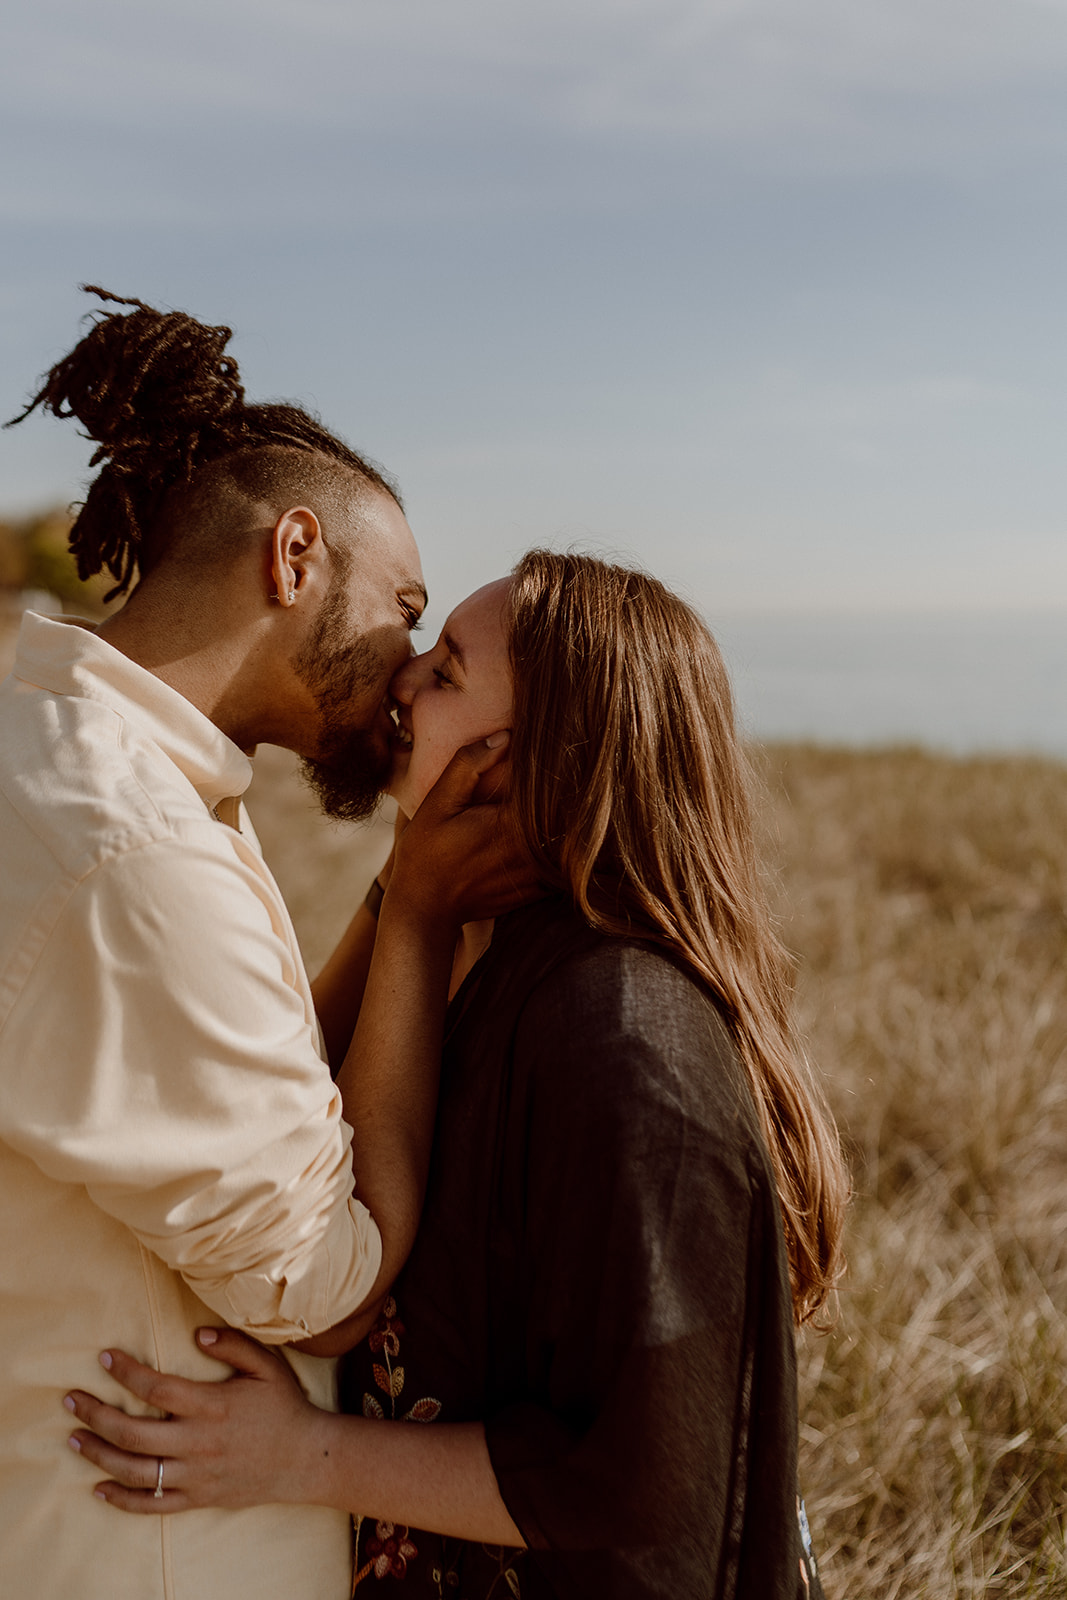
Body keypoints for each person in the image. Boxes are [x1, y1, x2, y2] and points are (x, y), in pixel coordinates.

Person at [66, 551, 848, 1598]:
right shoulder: (490, 958)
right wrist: (411, 893)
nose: (401, 679)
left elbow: (655, 1471)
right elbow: (300, 1105)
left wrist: (303, 1453)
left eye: (443, 672)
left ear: (530, 760)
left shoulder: (619, 1039)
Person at [0, 289, 524, 1600]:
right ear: (294, 557)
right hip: (151, 1551)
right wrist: (413, 918)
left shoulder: (61, 754)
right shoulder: (137, 855)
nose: (408, 668)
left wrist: (400, 885)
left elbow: (275, 1077)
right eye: (402, 606)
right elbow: (328, 1288)